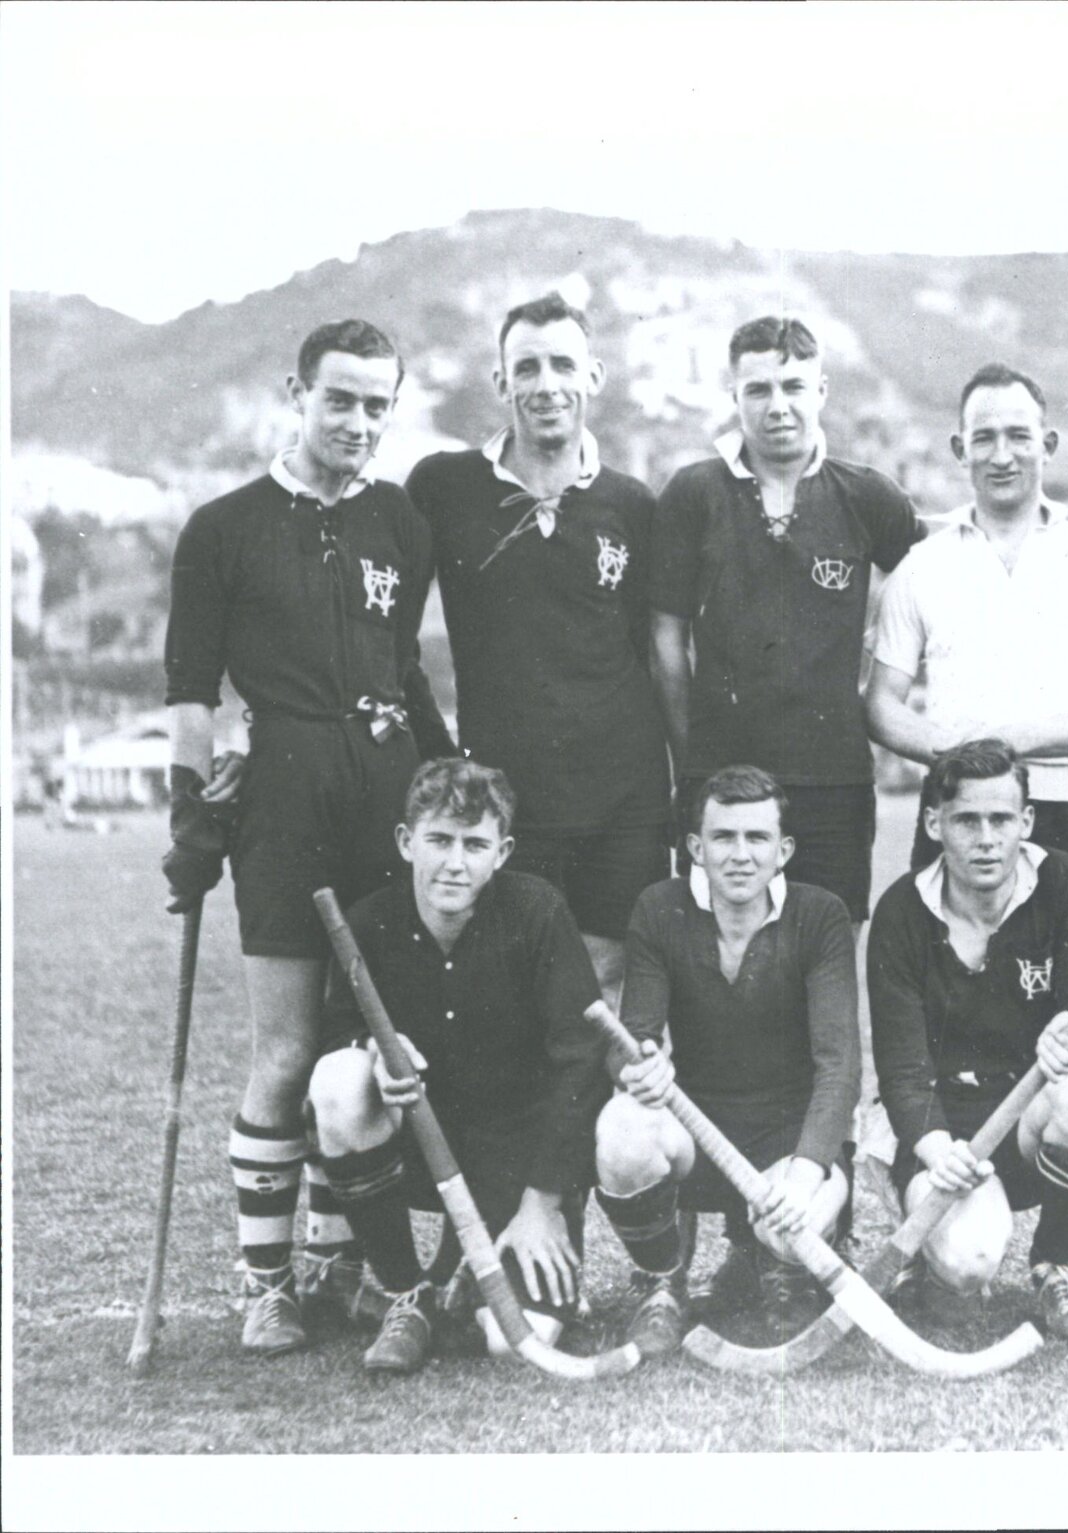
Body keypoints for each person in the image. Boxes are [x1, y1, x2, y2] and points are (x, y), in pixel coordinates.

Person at [162, 318, 453, 1354]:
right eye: (341, 399)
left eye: (380, 404)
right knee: (286, 1051)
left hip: (380, 793)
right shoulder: (224, 526)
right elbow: (191, 690)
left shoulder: (402, 526)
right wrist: (190, 809)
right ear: (297, 393)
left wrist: (445, 771)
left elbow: (402, 668)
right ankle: (266, 1279)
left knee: (360, 1046)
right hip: (281, 798)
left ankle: (336, 1258)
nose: (360, 422)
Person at [865, 362, 1068, 1281]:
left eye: (1017, 434)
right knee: (947, 1019)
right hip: (959, 813)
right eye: (981, 437)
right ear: (957, 450)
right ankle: (934, 1189)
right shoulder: (923, 564)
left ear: (1046, 445)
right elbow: (881, 706)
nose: (999, 453)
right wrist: (958, 764)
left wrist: (1012, 745)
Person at [405, 294, 671, 1002]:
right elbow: (391, 632)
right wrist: (438, 750)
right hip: (509, 797)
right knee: (514, 986)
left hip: (624, 797)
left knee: (606, 983)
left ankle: (602, 1120)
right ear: (501, 382)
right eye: (527, 366)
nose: (546, 383)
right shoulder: (443, 487)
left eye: (562, 364)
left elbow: (658, 651)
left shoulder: (634, 504)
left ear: (594, 376)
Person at [307, 759, 610, 1375]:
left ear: (502, 852)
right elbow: (339, 1030)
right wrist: (371, 1052)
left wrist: (542, 1202)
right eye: (439, 840)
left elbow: (582, 1064)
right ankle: (407, 1295)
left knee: (511, 1343)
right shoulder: (368, 922)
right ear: (405, 842)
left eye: (475, 845)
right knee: (336, 1082)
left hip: (520, 1166)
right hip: (422, 1152)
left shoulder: (537, 913)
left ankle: (480, 1267)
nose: (454, 862)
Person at [652, 316, 923, 923]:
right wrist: (689, 757)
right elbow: (665, 638)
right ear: (735, 397)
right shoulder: (694, 494)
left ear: (821, 391)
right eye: (759, 390)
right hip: (719, 783)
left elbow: (938, 589)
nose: (778, 406)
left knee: (828, 963)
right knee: (714, 967)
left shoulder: (868, 496)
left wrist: (885, 682)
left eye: (794, 387)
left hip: (833, 783)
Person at [593, 766, 862, 1355]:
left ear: (783, 849)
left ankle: (771, 1259)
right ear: (695, 847)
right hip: (700, 1131)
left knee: (793, 1232)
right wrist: (636, 1069)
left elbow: (840, 1064)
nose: (740, 855)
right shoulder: (659, 907)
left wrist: (808, 1170)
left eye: (757, 838)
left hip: (788, 1138)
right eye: (723, 837)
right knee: (621, 1131)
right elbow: (630, 1039)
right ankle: (663, 1281)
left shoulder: (820, 915)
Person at [867, 741, 1068, 1341]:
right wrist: (933, 1150)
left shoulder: (1059, 879)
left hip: (1028, 1115)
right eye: (966, 820)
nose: (986, 838)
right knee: (968, 1261)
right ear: (934, 823)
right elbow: (902, 1069)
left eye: (1001, 819)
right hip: (945, 1126)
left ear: (1025, 821)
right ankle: (935, 1265)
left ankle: (1058, 1264)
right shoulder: (901, 911)